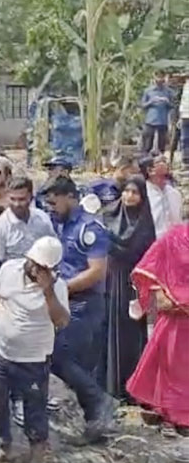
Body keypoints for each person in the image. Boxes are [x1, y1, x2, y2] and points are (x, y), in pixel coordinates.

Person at [0, 237, 70, 463]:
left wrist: (47, 291)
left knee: (34, 410)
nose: (35, 269)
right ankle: (4, 445)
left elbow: (61, 322)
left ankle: (36, 460)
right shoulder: (9, 270)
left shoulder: (58, 288)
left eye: (43, 267)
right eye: (34, 263)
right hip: (3, 353)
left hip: (34, 360)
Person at [45, 176, 115, 442]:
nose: (50, 207)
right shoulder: (59, 225)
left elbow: (97, 271)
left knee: (60, 357)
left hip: (85, 303)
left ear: (71, 197)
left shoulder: (90, 227)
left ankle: (99, 404)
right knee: (70, 362)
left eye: (54, 201)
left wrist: (61, 288)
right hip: (66, 300)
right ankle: (95, 420)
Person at [127, 222, 189, 433]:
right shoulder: (174, 236)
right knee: (171, 365)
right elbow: (149, 267)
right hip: (173, 315)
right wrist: (159, 293)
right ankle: (170, 416)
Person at [102, 176, 156, 398]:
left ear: (142, 197)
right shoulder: (108, 215)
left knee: (131, 333)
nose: (129, 196)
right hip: (109, 279)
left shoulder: (145, 224)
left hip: (133, 284)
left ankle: (132, 386)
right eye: (126, 191)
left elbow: (142, 254)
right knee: (107, 328)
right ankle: (108, 384)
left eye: (135, 193)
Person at [0, 177, 55, 264]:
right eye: (12, 199)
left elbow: (53, 248)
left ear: (31, 198)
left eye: (21, 199)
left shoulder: (42, 218)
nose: (17, 204)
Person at [145, 156, 183, 238]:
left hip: (174, 241)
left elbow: (178, 221)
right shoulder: (144, 194)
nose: (163, 164)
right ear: (150, 170)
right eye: (158, 162)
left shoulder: (175, 194)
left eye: (164, 161)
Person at [140, 71, 174, 153]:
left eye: (161, 77)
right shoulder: (148, 91)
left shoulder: (169, 92)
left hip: (163, 121)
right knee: (147, 146)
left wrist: (167, 102)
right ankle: (145, 161)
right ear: (154, 78)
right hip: (150, 121)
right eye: (158, 77)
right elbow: (142, 105)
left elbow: (173, 106)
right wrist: (151, 102)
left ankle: (160, 163)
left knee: (162, 146)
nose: (159, 80)